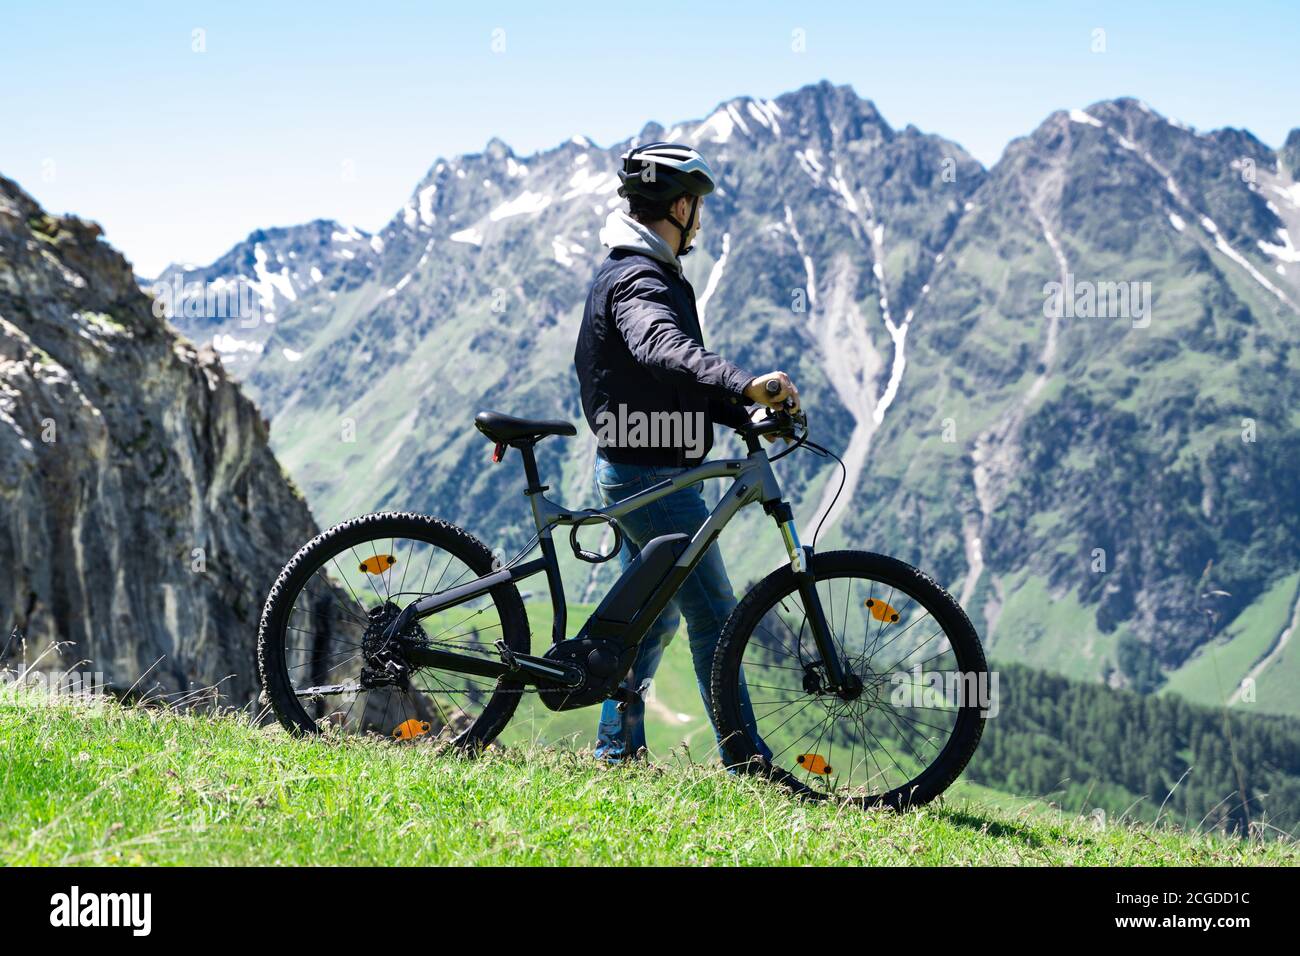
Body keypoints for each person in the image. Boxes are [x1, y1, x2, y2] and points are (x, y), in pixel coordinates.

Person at [573, 142, 799, 763]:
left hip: (647, 469)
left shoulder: (643, 268)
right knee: (716, 614)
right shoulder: (639, 279)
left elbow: (672, 381)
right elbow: (661, 350)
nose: (699, 219)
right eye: (697, 207)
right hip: (647, 475)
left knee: (646, 617)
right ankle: (747, 760)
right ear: (679, 206)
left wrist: (744, 412)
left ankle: (616, 754)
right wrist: (744, 383)